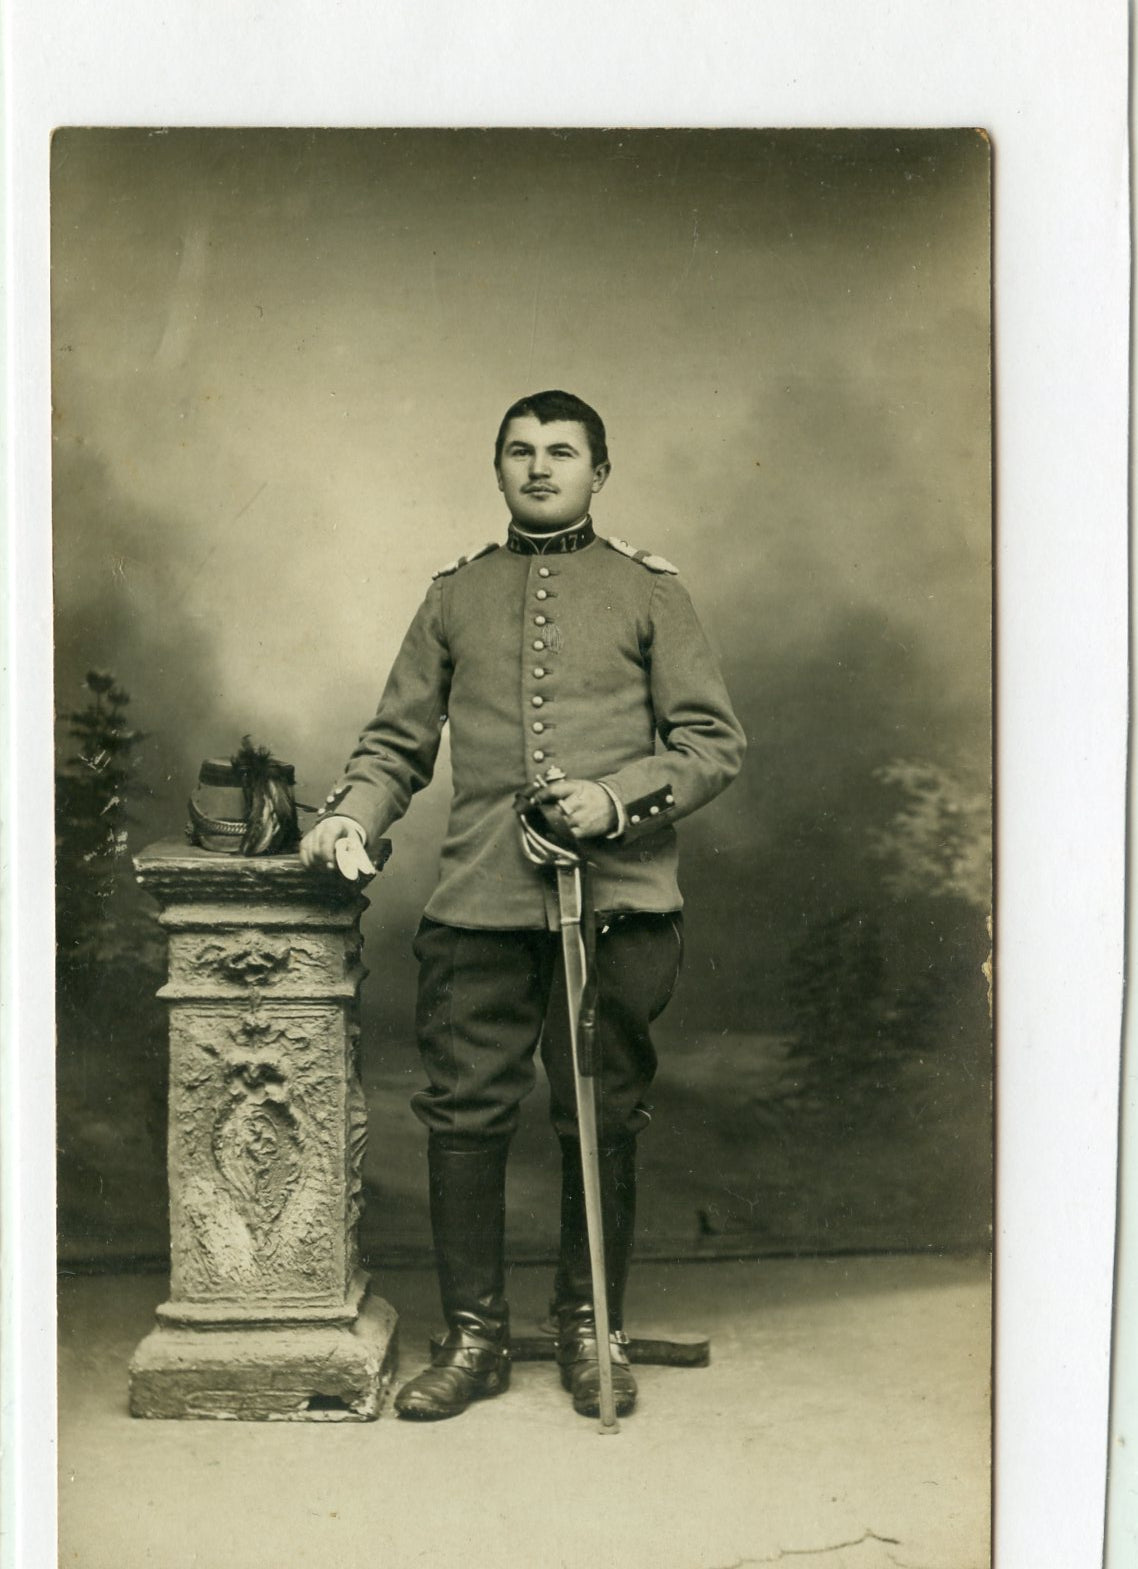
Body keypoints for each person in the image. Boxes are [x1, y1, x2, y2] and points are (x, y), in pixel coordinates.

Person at [300, 389, 745, 1421]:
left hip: (618, 900)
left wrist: (613, 798)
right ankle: (475, 1341)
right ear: (496, 468)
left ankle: (592, 1331)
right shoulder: (453, 596)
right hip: (479, 901)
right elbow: (396, 742)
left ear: (600, 470)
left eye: (561, 452)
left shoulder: (648, 592)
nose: (538, 468)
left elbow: (710, 744)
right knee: (463, 1115)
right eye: (518, 451)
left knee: (597, 1112)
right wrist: (352, 815)